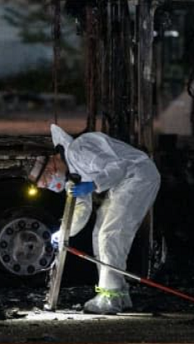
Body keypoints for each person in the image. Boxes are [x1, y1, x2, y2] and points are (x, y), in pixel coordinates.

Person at [28, 124, 160, 314]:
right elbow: (82, 209)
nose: (51, 186)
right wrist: (64, 232)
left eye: (47, 182)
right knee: (99, 233)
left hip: (138, 176)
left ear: (51, 167)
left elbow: (118, 167)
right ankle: (119, 294)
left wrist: (94, 184)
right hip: (123, 183)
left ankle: (110, 297)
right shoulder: (72, 176)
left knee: (111, 234)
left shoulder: (80, 150)